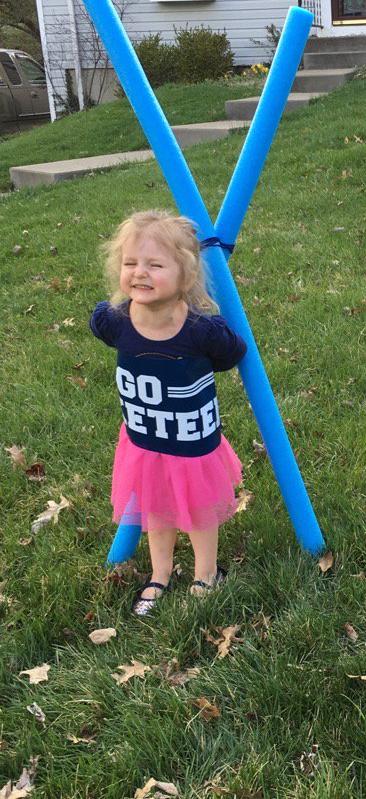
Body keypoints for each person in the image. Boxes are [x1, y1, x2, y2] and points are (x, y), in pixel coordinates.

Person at [90, 210, 247, 615]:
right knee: (156, 510)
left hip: (192, 443)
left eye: (155, 264)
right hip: (145, 440)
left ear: (186, 277)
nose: (139, 273)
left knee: (197, 512)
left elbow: (232, 354)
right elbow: (99, 326)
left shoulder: (200, 331)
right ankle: (160, 574)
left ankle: (205, 573)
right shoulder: (116, 322)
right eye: (130, 263)